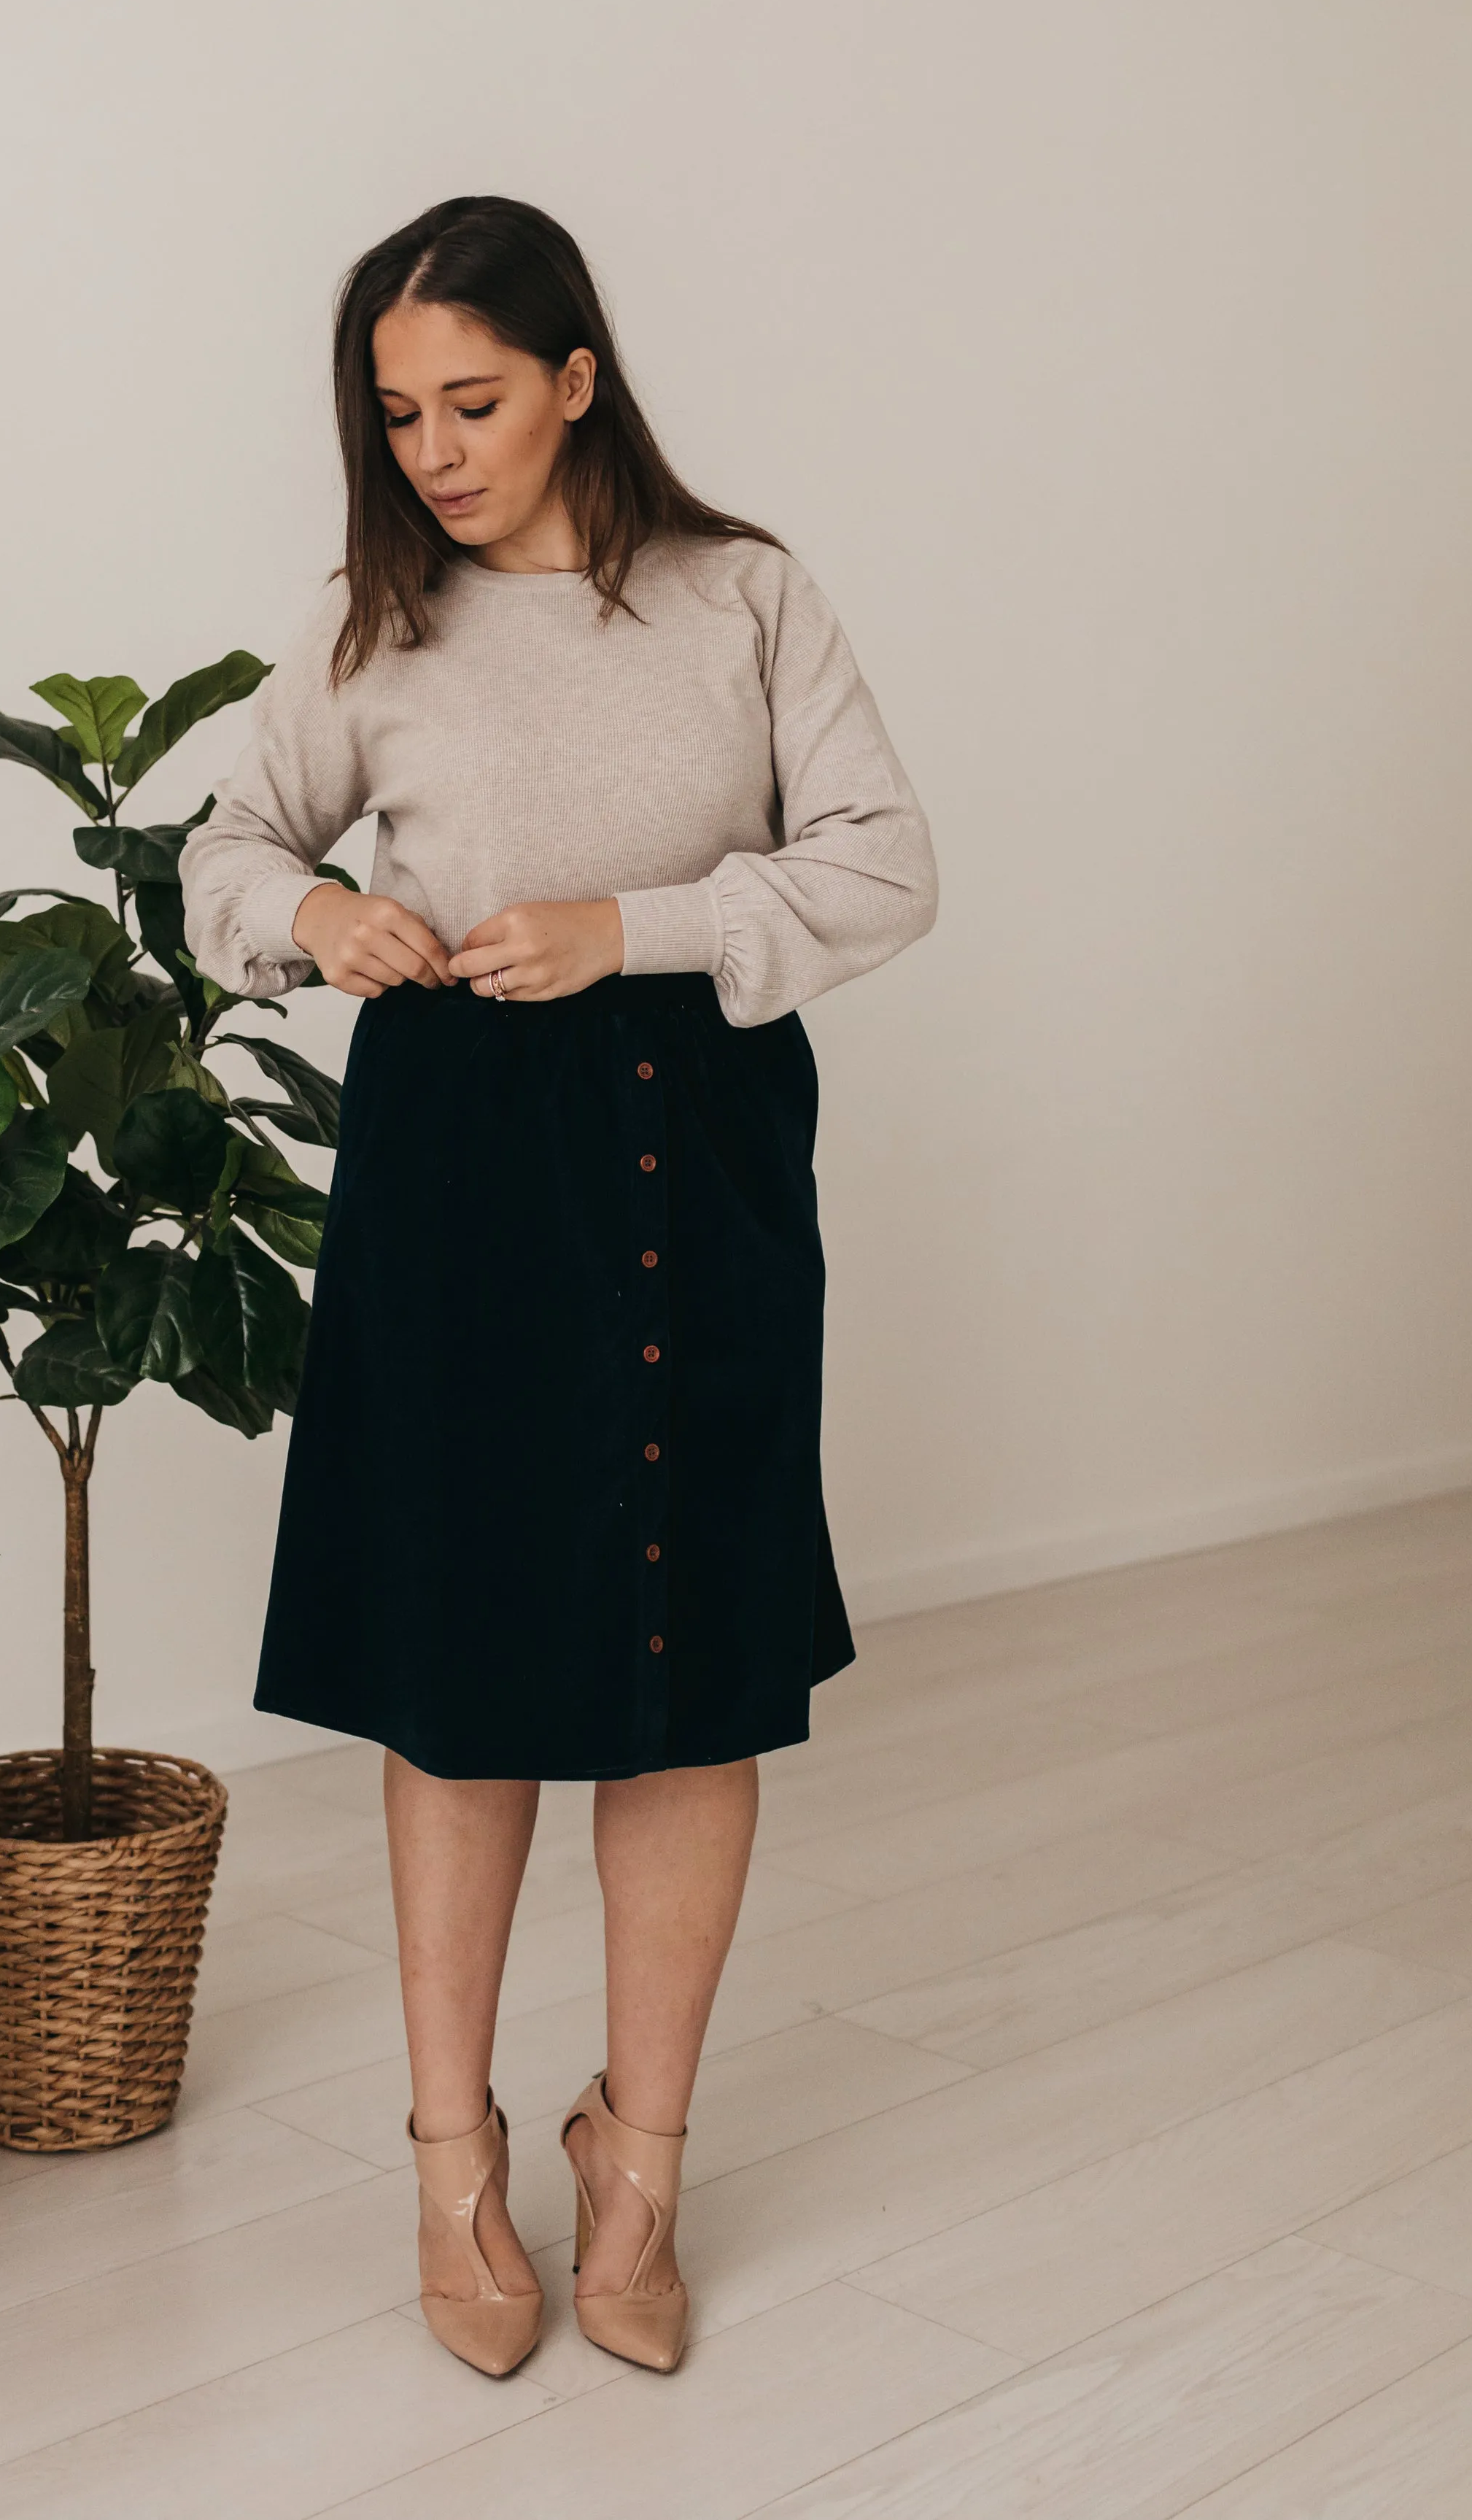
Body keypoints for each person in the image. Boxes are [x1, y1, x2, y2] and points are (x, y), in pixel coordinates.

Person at [175, 193, 937, 2378]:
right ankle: (449, 2160)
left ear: (581, 377)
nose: (433, 447)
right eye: (397, 411)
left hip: (692, 1153)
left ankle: (640, 2161)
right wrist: (315, 925)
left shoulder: (745, 594)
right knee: (461, 1674)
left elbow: (889, 862)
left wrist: (642, 922)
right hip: (455, 1164)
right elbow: (224, 845)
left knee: (687, 1669)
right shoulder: (373, 625)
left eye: (475, 400)